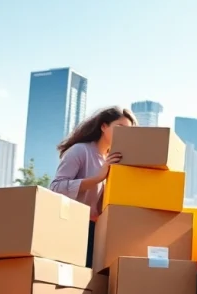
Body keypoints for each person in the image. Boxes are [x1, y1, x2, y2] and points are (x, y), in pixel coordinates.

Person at [49, 106, 138, 268]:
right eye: (120, 128)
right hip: (72, 226)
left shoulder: (117, 159)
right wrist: (98, 178)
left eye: (128, 131)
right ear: (104, 126)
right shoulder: (80, 151)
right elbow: (56, 187)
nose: (124, 134)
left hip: (98, 231)